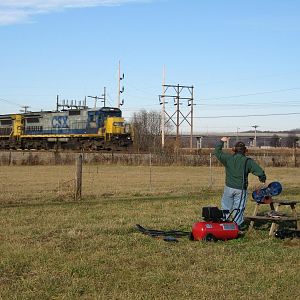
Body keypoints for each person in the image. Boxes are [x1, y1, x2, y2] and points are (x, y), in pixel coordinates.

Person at [214, 137, 266, 228]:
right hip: (240, 189)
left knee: (226, 207)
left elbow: (217, 152)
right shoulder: (248, 161)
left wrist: (221, 141)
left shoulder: (228, 158)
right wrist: (262, 178)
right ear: (245, 150)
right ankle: (236, 226)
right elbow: (260, 172)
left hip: (228, 188)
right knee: (239, 208)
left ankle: (224, 226)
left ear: (233, 150)